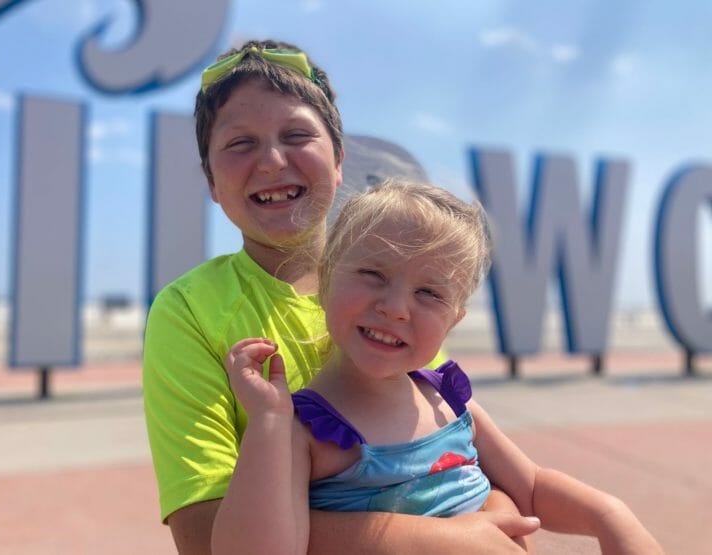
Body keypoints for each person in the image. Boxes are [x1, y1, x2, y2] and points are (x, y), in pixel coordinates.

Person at [143, 39, 541, 554]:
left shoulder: (398, 295)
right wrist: (439, 538)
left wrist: (497, 512)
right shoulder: (189, 311)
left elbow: (463, 457)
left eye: (296, 134)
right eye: (240, 143)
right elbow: (204, 538)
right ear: (211, 182)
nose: (270, 161)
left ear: (339, 163)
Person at [216, 179, 664, 555]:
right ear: (326, 278)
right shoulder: (303, 429)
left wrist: (608, 516)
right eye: (373, 274)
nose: (394, 309)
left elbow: (529, 488)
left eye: (429, 294)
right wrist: (268, 421)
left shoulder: (445, 399)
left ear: (455, 319)